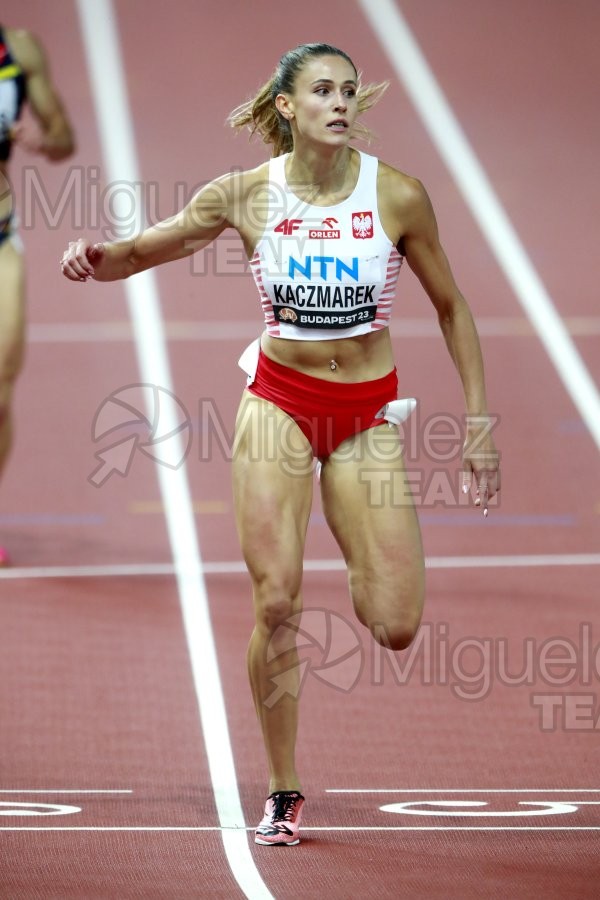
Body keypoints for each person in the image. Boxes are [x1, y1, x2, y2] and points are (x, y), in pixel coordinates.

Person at [60, 43, 500, 846]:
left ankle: (351, 529)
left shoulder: (397, 195)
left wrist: (477, 420)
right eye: (323, 91)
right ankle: (283, 789)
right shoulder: (245, 196)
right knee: (276, 599)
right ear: (288, 107)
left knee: (396, 622)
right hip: (280, 405)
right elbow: (143, 250)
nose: (341, 102)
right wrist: (94, 258)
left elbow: (454, 307)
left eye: (349, 91)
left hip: (365, 415)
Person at [0, 25, 75, 564]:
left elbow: (64, 137)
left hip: (1, 239)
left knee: (0, 397)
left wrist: (43, 141)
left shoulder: (20, 49)